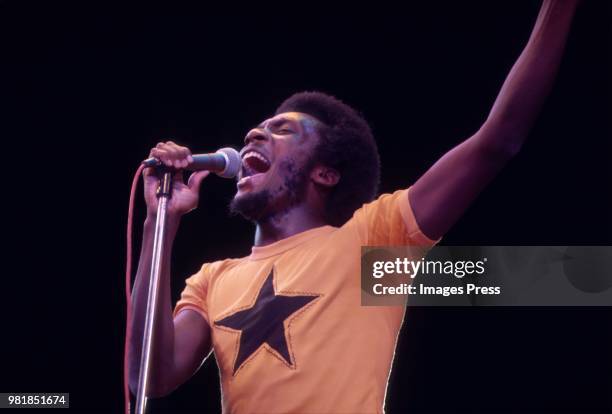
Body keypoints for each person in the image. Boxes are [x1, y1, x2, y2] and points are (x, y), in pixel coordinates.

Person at [129, 1, 580, 412]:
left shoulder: (373, 240)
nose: (254, 134)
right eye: (258, 127)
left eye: (283, 130)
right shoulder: (213, 280)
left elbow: (497, 140)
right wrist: (159, 223)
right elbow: (149, 376)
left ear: (325, 173)